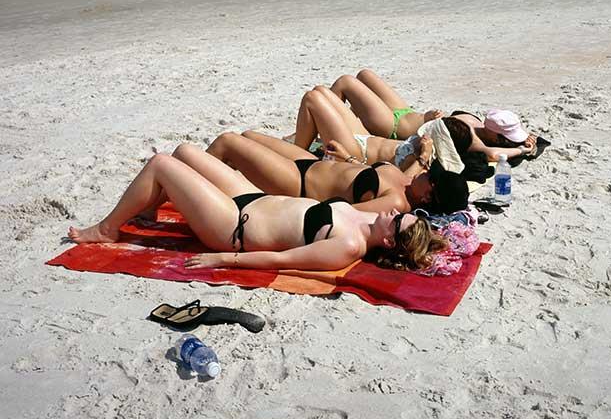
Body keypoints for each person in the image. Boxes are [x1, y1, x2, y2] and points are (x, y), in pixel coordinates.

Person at [66, 146, 446, 272]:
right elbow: (435, 239)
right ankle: (147, 209)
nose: (394, 213)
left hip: (234, 227)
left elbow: (284, 261)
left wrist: (222, 261)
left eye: (397, 220)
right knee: (185, 151)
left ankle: (107, 229)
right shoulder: (368, 221)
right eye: (400, 213)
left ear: (388, 241)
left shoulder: (347, 246)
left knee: (163, 163)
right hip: (251, 197)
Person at [205, 131, 467, 215]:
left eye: (431, 178)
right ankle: (216, 182)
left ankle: (186, 187)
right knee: (249, 136)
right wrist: (348, 159)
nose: (426, 173)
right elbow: (418, 165)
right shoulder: (410, 182)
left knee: (228, 142)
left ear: (428, 196)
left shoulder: (397, 202)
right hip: (310, 162)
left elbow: (346, 214)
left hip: (299, 183)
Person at [328, 69, 543, 161]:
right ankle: (343, 122)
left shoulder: (475, 138)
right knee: (364, 74)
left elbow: (493, 155)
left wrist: (521, 149)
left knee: (345, 82)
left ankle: (326, 129)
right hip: (407, 112)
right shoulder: (476, 122)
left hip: (392, 127)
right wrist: (525, 140)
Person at [286, 85, 473, 170]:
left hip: (358, 152)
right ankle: (300, 145)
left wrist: (423, 156)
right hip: (365, 139)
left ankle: (295, 155)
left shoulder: (424, 163)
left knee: (312, 99)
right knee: (321, 91)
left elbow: (402, 183)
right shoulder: (428, 146)